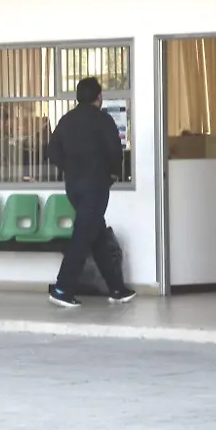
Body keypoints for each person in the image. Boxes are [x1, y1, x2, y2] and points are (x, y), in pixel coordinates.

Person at [45, 77, 136, 308]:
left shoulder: (66, 120)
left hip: (73, 186)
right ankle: (62, 288)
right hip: (95, 186)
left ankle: (116, 288)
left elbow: (52, 152)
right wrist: (111, 176)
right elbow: (115, 152)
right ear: (99, 97)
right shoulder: (102, 120)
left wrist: (69, 168)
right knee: (82, 236)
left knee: (96, 234)